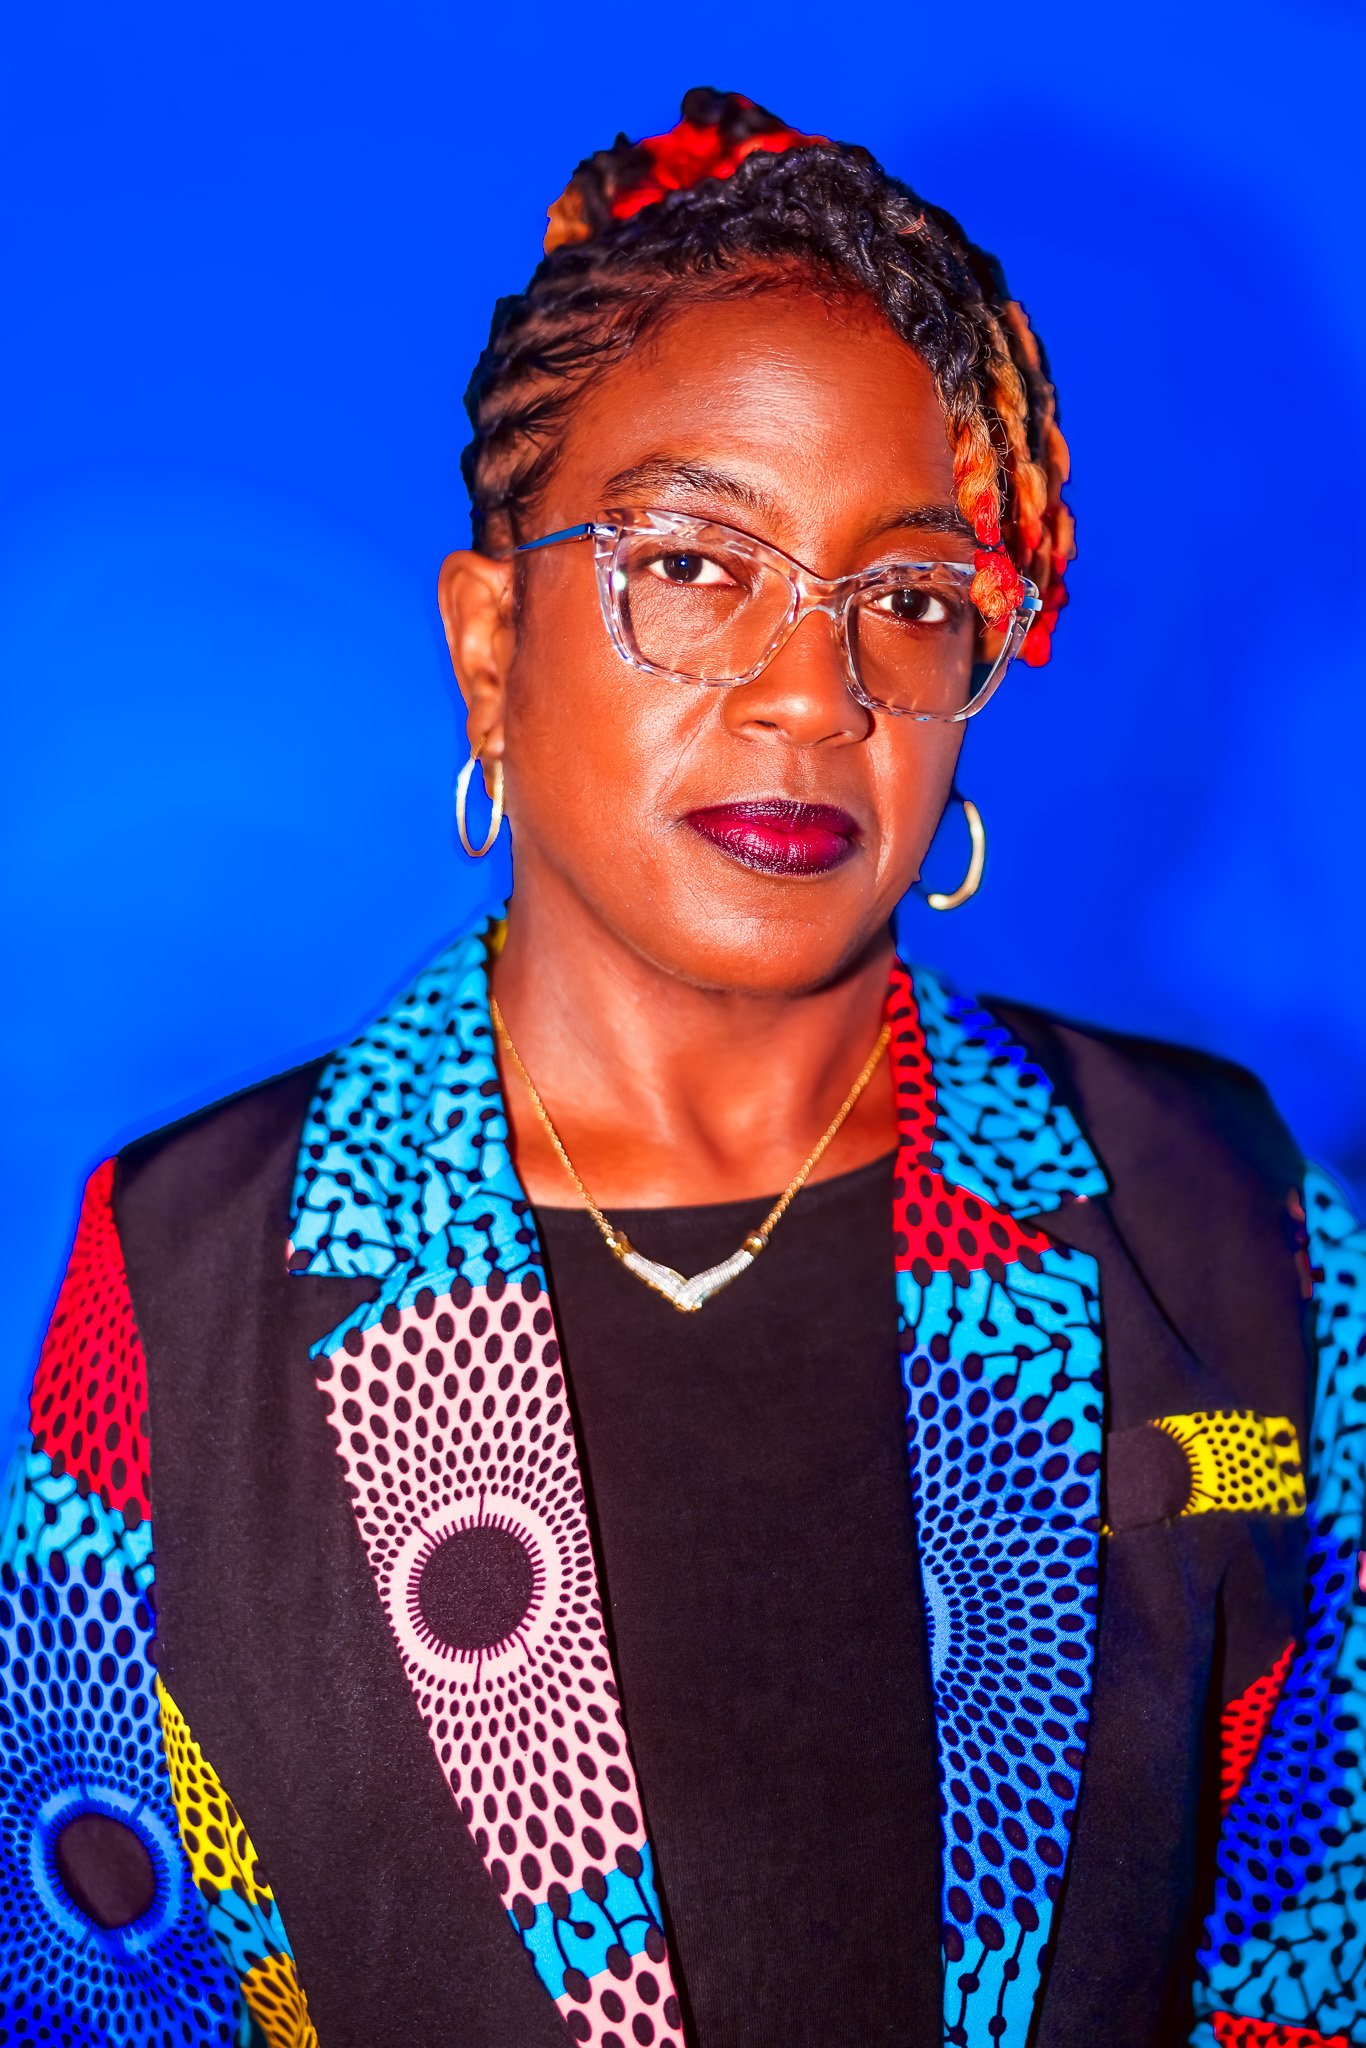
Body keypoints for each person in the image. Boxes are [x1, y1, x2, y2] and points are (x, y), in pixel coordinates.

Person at [2, 87, 1361, 2048]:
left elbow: (1310, 1945)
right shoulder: (193, 1269)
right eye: (694, 566)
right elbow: (89, 1972)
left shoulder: (1211, 1209)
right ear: (490, 647)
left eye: (902, 598)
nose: (809, 689)